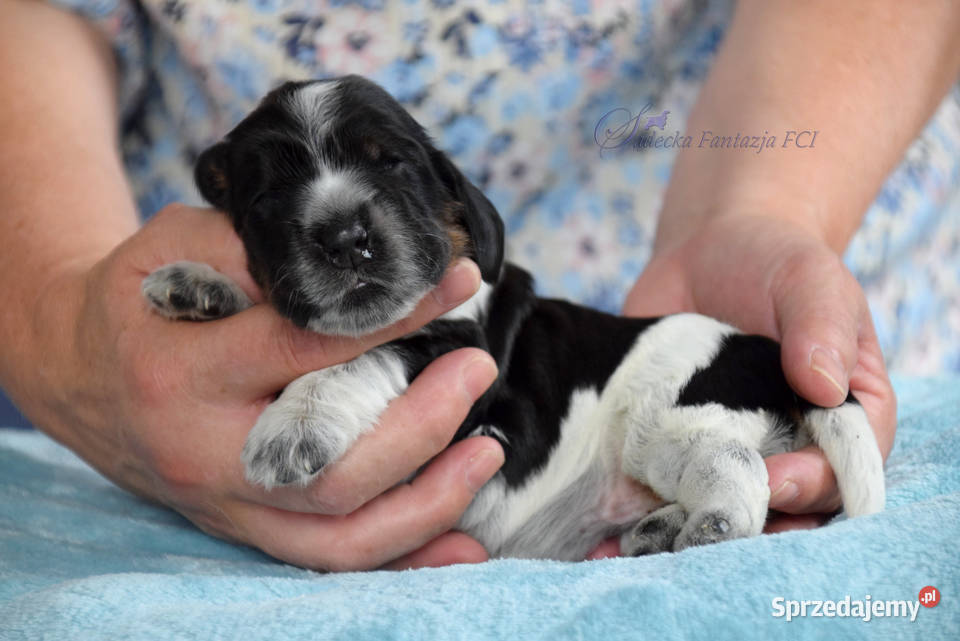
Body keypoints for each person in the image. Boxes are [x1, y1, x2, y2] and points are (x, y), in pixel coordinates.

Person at [0, 0, 956, 571]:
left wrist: (760, 209)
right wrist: (59, 308)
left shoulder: (474, 300)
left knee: (680, 434)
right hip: (160, 413)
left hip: (720, 317)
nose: (340, 225)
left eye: (388, 169)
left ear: (465, 219)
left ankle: (730, 497)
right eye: (275, 186)